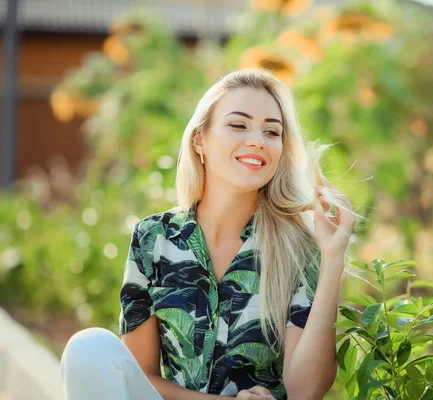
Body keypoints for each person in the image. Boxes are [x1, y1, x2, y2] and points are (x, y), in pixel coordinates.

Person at [60, 68, 358, 400]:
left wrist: (333, 258)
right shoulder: (153, 238)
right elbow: (140, 379)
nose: (258, 141)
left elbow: (306, 391)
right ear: (200, 140)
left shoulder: (300, 248)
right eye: (238, 124)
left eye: (272, 132)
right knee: (88, 348)